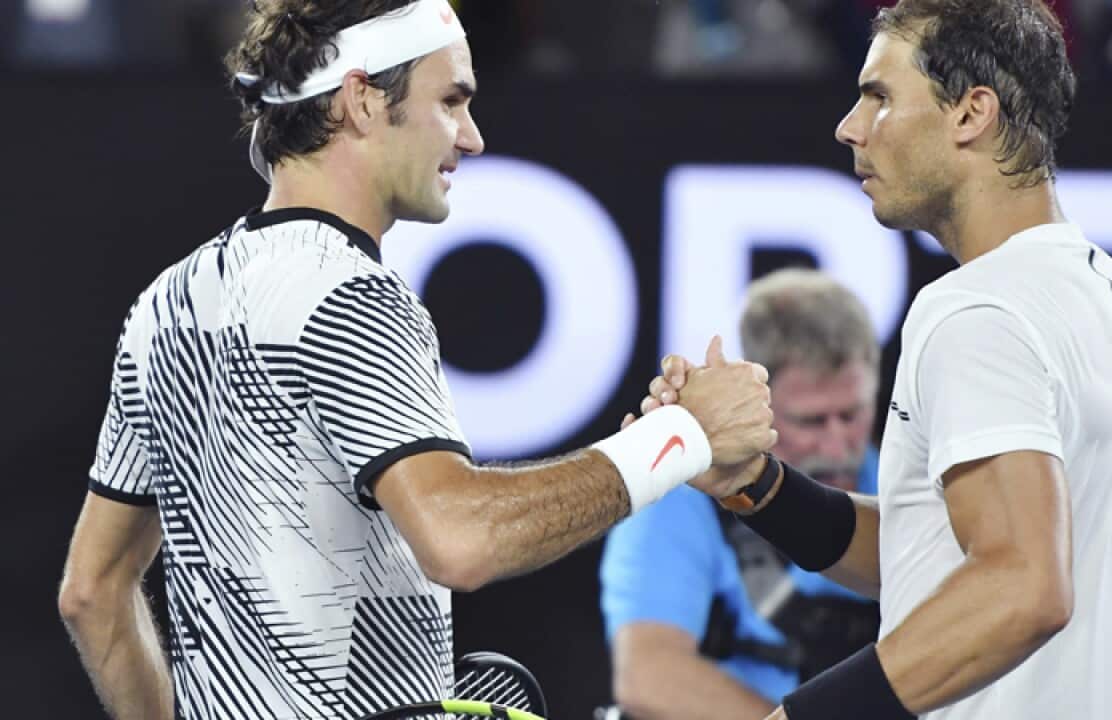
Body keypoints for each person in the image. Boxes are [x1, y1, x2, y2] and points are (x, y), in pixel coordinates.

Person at [54, 2, 776, 719]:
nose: (473, 137)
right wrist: (679, 438)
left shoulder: (167, 301)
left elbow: (92, 592)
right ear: (362, 100)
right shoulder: (351, 294)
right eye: (451, 101)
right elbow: (460, 538)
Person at [640, 1, 1112, 718]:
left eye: (880, 97)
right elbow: (936, 556)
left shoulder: (976, 310)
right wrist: (759, 486)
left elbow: (1024, 587)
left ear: (971, 113)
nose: (850, 127)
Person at [600, 268, 884, 720]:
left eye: (851, 414)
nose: (837, 446)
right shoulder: (681, 492)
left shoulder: (903, 479)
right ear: (757, 404)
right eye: (811, 421)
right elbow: (650, 676)